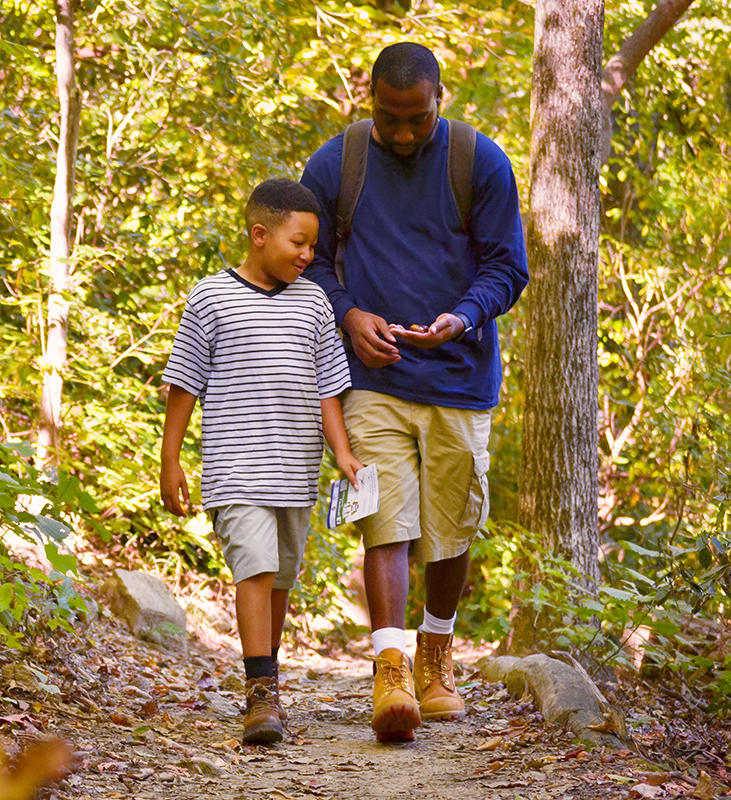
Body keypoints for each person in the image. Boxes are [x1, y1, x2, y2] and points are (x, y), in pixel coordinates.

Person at [301, 42, 529, 743]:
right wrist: (347, 312)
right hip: (370, 378)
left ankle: (437, 656)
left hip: (459, 379)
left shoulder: (479, 161)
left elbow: (507, 267)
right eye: (389, 117)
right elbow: (304, 260)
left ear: (440, 99)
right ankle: (391, 666)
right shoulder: (336, 164)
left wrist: (462, 315)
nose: (402, 133)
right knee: (385, 520)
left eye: (417, 119)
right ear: (367, 98)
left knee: (453, 526)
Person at [160, 178, 363, 745]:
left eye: (313, 246)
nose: (308, 255)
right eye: (299, 243)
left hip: (295, 471)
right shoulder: (211, 297)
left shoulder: (315, 303)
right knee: (255, 567)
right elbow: (184, 384)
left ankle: (266, 678)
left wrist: (342, 453)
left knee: (279, 580)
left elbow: (328, 388)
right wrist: (169, 461)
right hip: (234, 467)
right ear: (259, 235)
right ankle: (259, 695)